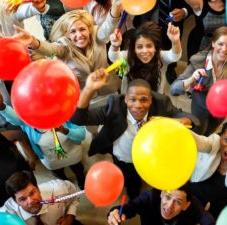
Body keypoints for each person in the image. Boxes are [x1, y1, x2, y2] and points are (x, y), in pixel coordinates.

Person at [70, 69, 198, 199]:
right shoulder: (114, 106)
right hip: (123, 158)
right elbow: (78, 119)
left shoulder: (162, 105)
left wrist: (183, 121)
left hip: (150, 157)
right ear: (125, 99)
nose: (138, 106)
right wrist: (88, 89)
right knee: (129, 181)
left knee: (141, 178)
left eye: (144, 100)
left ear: (151, 100)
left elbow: (190, 118)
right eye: (132, 99)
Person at [13, 1, 123, 101]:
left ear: (89, 29)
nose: (79, 35)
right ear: (67, 35)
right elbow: (50, 49)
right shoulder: (64, 45)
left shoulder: (97, 35)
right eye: (73, 31)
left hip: (110, 91)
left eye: (82, 29)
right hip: (87, 98)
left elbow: (110, 25)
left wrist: (116, 7)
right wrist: (33, 41)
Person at [0, 90, 88, 189]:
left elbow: (82, 134)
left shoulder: (65, 112)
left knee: (78, 168)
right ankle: (65, 182)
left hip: (73, 154)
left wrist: (65, 131)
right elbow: (16, 118)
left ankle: (81, 179)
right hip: (52, 161)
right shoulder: (29, 120)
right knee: (59, 173)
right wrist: (2, 107)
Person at [171, 26, 227, 135]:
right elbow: (174, 89)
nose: (224, 49)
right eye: (220, 44)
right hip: (201, 106)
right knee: (199, 130)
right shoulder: (198, 61)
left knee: (210, 130)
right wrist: (191, 79)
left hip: (222, 108)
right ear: (213, 43)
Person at [109, 21, 182, 95]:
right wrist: (115, 46)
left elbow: (174, 56)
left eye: (149, 46)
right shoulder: (128, 56)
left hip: (155, 100)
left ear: (155, 48)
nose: (144, 51)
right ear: (134, 48)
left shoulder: (160, 57)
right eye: (139, 47)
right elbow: (114, 57)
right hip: (130, 100)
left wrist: (175, 41)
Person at [0, 171, 82, 225]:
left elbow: (76, 194)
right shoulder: (6, 215)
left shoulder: (59, 189)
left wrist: (70, 216)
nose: (30, 201)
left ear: (38, 188)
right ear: (15, 201)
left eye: (32, 193)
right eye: (23, 199)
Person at [107, 183, 215, 225]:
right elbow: (129, 208)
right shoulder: (149, 197)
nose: (169, 206)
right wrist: (114, 213)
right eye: (167, 197)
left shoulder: (193, 204)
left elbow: (206, 219)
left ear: (186, 206)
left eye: (177, 202)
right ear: (162, 194)